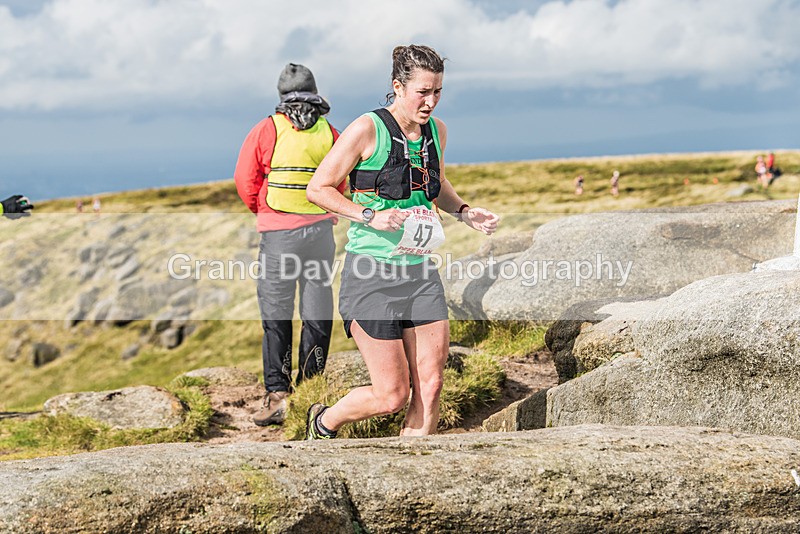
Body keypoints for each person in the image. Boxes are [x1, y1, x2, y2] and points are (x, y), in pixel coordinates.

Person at [304, 44, 499, 440]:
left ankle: (416, 471)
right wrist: (371, 216)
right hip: (371, 274)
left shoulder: (436, 131)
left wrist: (463, 211)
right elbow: (318, 188)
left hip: (420, 270)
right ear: (398, 86)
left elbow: (437, 183)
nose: (431, 101)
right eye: (422, 92)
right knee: (392, 395)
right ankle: (323, 421)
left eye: (438, 91)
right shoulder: (366, 129)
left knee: (431, 383)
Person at [234, 63, 343, 427]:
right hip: (320, 236)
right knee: (316, 312)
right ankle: (310, 391)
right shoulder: (331, 132)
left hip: (278, 236)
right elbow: (340, 183)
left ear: (281, 96)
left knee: (276, 314)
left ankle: (278, 394)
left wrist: (264, 211)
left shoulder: (267, 129)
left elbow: (245, 180)